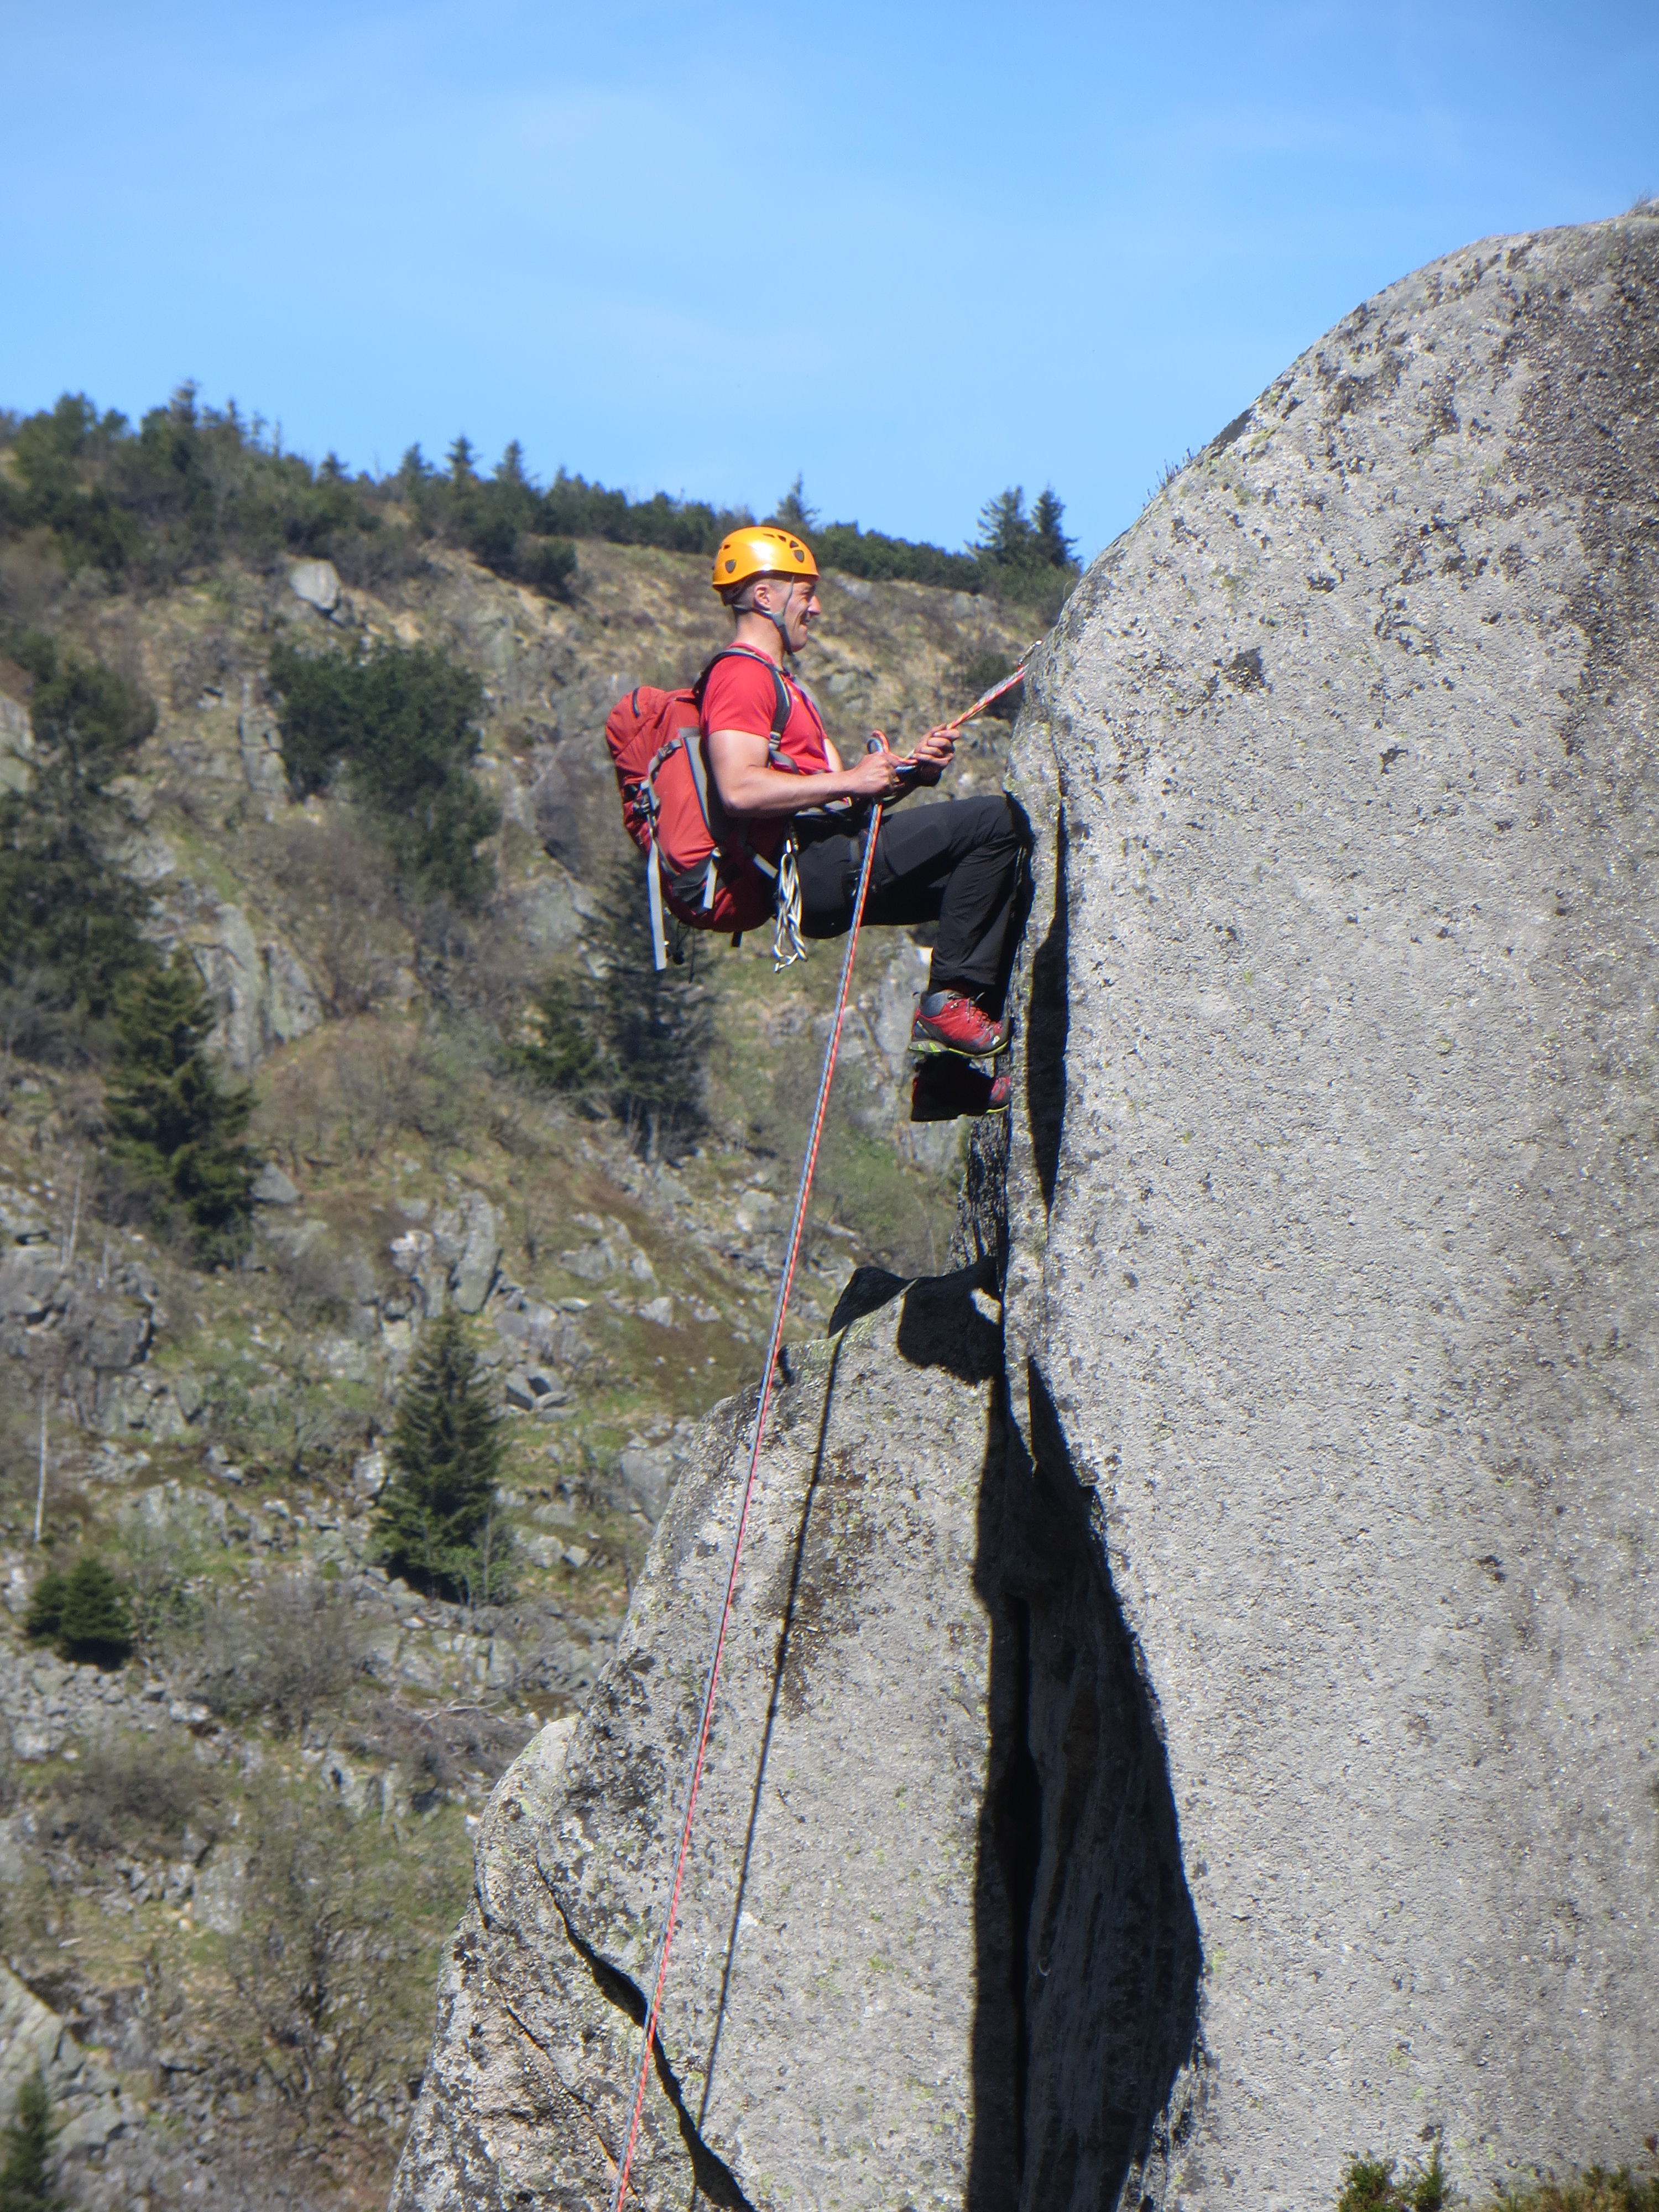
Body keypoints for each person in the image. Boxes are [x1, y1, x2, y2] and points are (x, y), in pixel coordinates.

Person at [701, 525, 1026, 1119]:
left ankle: (943, 1079)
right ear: (766, 597)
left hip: (822, 862)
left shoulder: (783, 686)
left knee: (988, 880)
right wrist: (853, 780)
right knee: (995, 824)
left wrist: (908, 776)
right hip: (813, 866)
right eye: (806, 594)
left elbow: (831, 800)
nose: (817, 609)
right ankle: (946, 1010)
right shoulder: (741, 676)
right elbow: (739, 788)